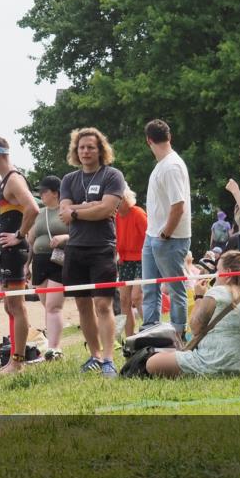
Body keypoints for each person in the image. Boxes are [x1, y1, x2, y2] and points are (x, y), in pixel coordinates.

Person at [58, 127, 125, 377]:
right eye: (81, 147)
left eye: (91, 147)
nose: (85, 151)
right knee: (83, 305)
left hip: (102, 248)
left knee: (103, 305)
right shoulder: (69, 180)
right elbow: (63, 212)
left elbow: (107, 209)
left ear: (100, 150)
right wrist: (89, 207)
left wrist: (77, 211)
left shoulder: (112, 175)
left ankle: (109, 359)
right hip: (75, 249)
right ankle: (94, 355)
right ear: (76, 151)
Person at [146, 251, 240, 377]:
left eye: (218, 270)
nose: (215, 275)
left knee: (152, 362)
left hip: (214, 361)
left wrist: (199, 296)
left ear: (228, 273)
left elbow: (195, 328)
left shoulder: (217, 292)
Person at [0, 136, 39, 374]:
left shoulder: (13, 179)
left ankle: (18, 362)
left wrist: (19, 235)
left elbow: (33, 208)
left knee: (17, 305)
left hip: (15, 251)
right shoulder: (7, 180)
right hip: (8, 252)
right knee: (10, 306)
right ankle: (14, 357)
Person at [141, 119, 192, 335]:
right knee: (149, 288)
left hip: (169, 238)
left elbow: (178, 206)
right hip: (153, 235)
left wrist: (165, 234)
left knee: (175, 289)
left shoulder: (171, 166)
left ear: (148, 141)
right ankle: (150, 331)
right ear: (169, 137)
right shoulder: (163, 165)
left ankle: (178, 334)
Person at [27, 175, 68, 360]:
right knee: (47, 305)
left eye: (44, 191)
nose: (41, 194)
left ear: (55, 193)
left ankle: (54, 347)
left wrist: (64, 238)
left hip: (59, 260)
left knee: (53, 305)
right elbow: (31, 240)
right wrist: (26, 264)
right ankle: (52, 343)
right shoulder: (40, 213)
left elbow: (78, 234)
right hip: (40, 261)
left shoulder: (66, 210)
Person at [115, 187, 148, 337]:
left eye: (119, 200)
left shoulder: (138, 213)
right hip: (125, 261)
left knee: (136, 296)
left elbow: (148, 238)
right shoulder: (116, 217)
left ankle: (151, 328)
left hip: (141, 258)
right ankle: (129, 339)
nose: (116, 204)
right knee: (123, 299)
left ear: (126, 198)